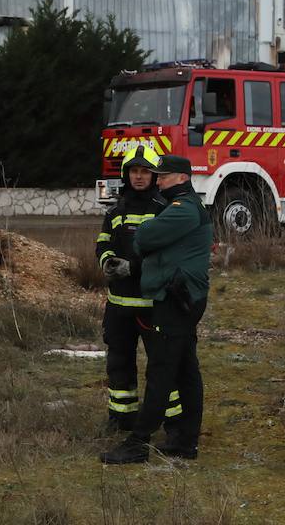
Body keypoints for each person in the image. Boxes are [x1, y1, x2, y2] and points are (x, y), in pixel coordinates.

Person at [100, 154, 213, 464]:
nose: (157, 180)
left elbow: (145, 236)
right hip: (179, 299)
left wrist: (146, 238)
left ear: (180, 178)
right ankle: (185, 442)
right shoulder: (180, 208)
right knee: (187, 371)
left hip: (176, 302)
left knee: (162, 371)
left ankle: (138, 442)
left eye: (162, 176)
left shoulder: (183, 209)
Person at [95, 144, 181, 431]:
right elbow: (103, 242)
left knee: (161, 367)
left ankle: (172, 424)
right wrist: (107, 261)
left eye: (145, 171)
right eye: (134, 171)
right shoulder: (116, 210)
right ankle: (121, 419)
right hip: (119, 306)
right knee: (118, 364)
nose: (139, 177)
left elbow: (167, 253)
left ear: (154, 175)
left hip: (153, 307)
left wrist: (132, 266)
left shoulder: (164, 209)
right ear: (126, 174)